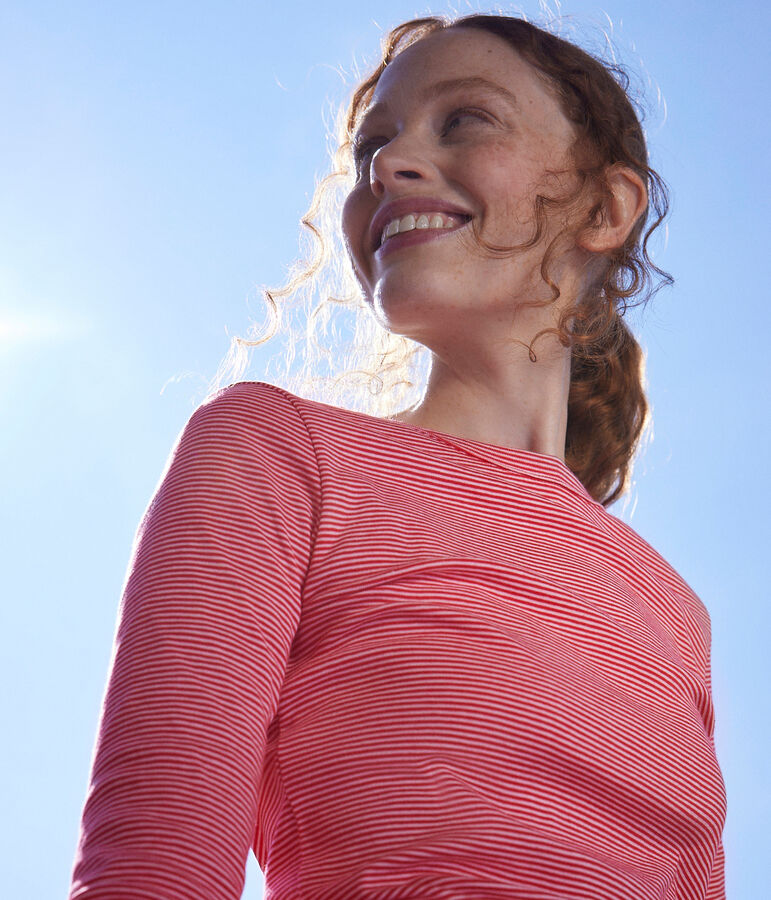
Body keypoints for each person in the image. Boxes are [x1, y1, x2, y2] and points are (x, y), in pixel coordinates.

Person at [67, 13, 726, 900]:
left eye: (464, 120)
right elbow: (155, 856)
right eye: (372, 144)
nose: (387, 164)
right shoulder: (278, 451)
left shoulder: (674, 612)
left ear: (604, 208)